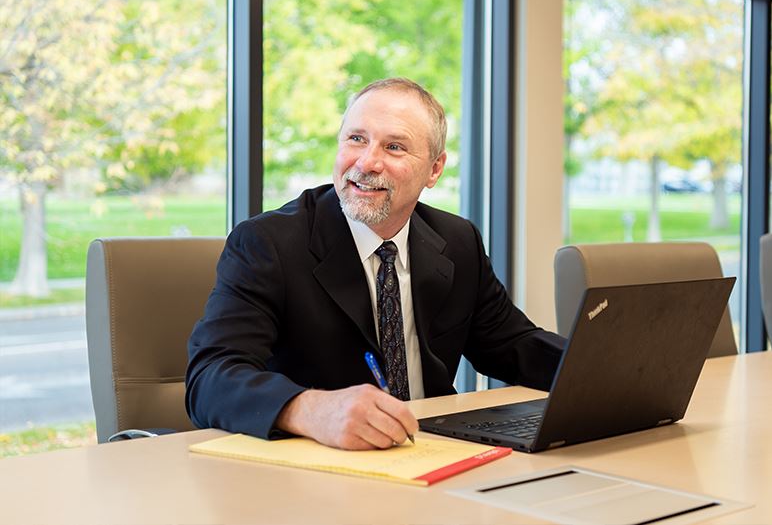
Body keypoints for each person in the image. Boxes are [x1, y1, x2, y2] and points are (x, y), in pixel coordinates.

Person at [186, 78, 565, 450]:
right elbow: (211, 377)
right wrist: (308, 409)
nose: (367, 162)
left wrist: (607, 371)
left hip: (433, 451)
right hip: (321, 467)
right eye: (356, 139)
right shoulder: (268, 243)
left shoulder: (457, 241)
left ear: (434, 169)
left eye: (395, 147)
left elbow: (512, 344)